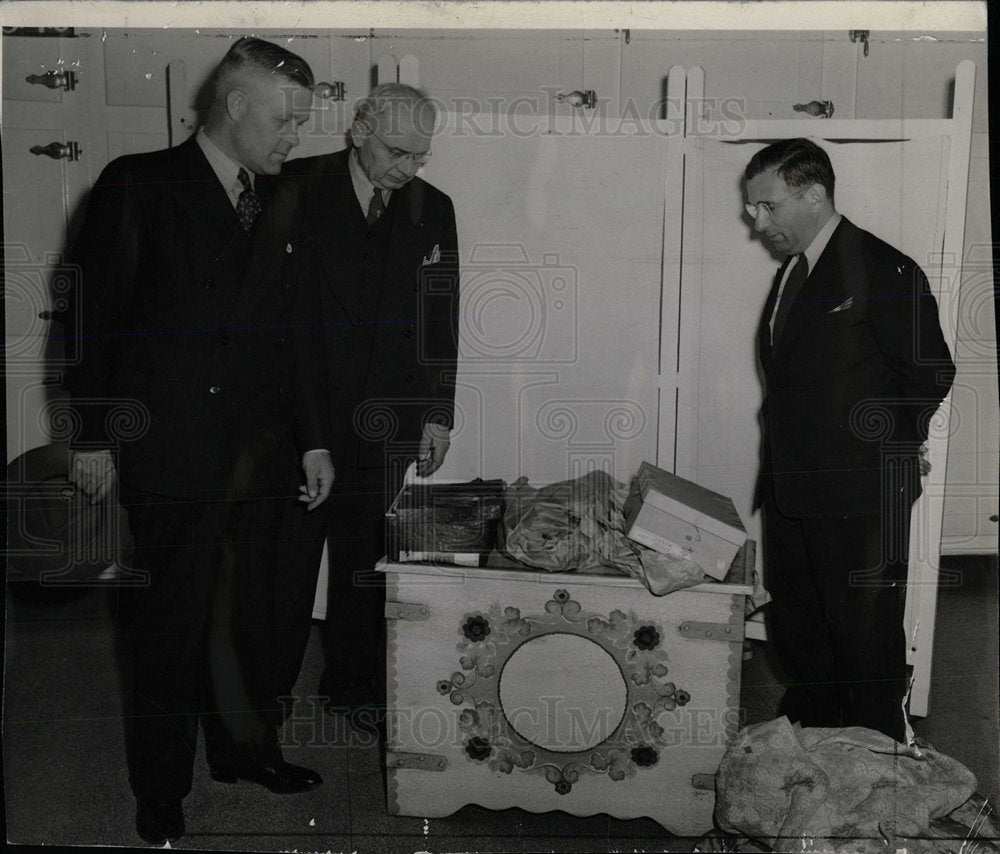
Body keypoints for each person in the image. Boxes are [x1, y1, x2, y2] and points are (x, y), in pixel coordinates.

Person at [66, 37, 334, 845]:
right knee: (172, 624)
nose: (295, 136)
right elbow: (93, 319)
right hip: (171, 448)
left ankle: (244, 751)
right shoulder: (139, 184)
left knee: (253, 617)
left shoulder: (281, 199)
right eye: (286, 120)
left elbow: (295, 339)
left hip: (263, 456)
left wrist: (315, 441)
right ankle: (161, 785)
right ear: (237, 105)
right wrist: (90, 437)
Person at [744, 138, 955, 742]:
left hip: (861, 492)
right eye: (753, 208)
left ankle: (873, 751)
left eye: (768, 205)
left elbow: (931, 370)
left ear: (814, 195)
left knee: (863, 636)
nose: (758, 220)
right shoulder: (792, 271)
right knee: (801, 624)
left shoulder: (883, 267)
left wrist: (888, 452)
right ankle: (814, 738)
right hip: (790, 485)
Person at [279, 83, 460, 715]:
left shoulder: (434, 209)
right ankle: (261, 700)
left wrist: (439, 413)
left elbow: (441, 316)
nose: (407, 169)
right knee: (286, 565)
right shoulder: (290, 186)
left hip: (389, 420)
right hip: (299, 417)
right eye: (397, 151)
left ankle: (350, 688)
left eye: (420, 157)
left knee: (363, 564)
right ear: (358, 128)